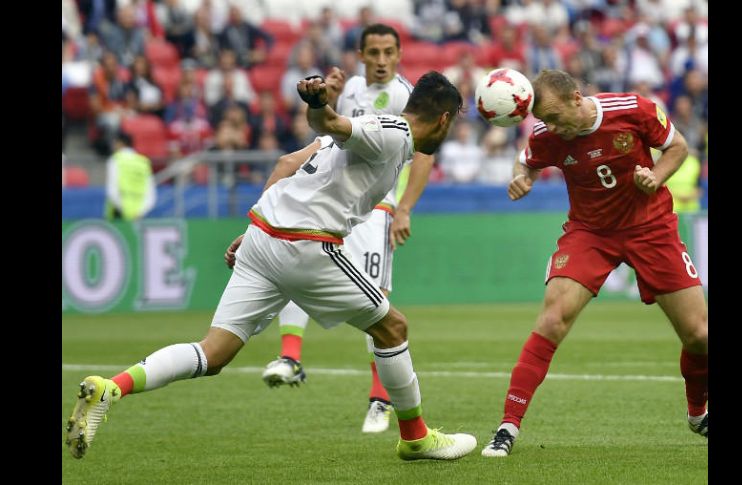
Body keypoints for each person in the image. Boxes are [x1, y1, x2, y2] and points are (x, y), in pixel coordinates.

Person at [66, 71, 477, 462]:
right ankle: (416, 438)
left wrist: (254, 228)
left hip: (265, 235)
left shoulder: (377, 129)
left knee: (213, 353)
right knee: (393, 328)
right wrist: (319, 106)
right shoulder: (392, 133)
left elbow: (286, 163)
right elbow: (331, 123)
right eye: (453, 124)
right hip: (305, 245)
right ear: (443, 119)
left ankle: (110, 388)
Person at [480, 69, 708, 457]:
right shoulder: (547, 134)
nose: (551, 127)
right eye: (544, 120)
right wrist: (521, 177)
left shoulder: (634, 110)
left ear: (576, 98)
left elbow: (679, 148)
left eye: (555, 116)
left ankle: (697, 412)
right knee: (552, 320)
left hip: (650, 227)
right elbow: (526, 161)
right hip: (590, 234)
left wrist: (655, 176)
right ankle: (507, 426)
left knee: (700, 335)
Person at [256, 23, 436, 435]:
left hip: (378, 208)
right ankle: (290, 357)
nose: (381, 60)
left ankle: (379, 400)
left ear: (399, 53)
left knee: (377, 300)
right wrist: (329, 100)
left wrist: (405, 208)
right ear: (361, 54)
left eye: (388, 52)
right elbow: (328, 137)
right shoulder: (352, 87)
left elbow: (422, 155)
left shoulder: (408, 97)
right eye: (373, 52)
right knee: (301, 265)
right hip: (335, 201)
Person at [104, 131, 157, 221]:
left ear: (120, 143)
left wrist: (125, 211)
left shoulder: (116, 159)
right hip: (139, 215)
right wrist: (140, 212)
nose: (113, 145)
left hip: (118, 214)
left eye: (114, 142)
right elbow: (151, 195)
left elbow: (112, 190)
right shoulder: (143, 162)